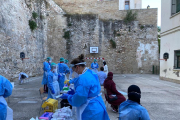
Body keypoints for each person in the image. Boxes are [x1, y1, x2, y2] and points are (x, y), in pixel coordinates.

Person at [60, 54, 110, 120]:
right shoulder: (90, 72)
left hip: (91, 110)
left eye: (74, 70)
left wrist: (69, 97)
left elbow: (79, 99)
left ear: (77, 67)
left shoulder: (82, 79)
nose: (74, 73)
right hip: (98, 104)